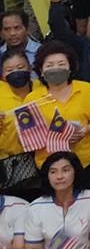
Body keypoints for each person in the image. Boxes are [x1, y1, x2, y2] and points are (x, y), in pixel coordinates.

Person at [27, 42, 90, 188]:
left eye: (61, 64)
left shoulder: (86, 89)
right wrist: (53, 137)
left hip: (84, 160)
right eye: (49, 65)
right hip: (49, 165)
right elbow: (29, 134)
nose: (56, 69)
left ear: (70, 67)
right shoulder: (32, 99)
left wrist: (84, 131)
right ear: (41, 70)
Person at [0, 50, 39, 194]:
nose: (16, 72)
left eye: (21, 67)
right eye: (9, 70)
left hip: (41, 158)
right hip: (8, 163)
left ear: (29, 68)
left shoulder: (42, 88)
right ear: (3, 75)